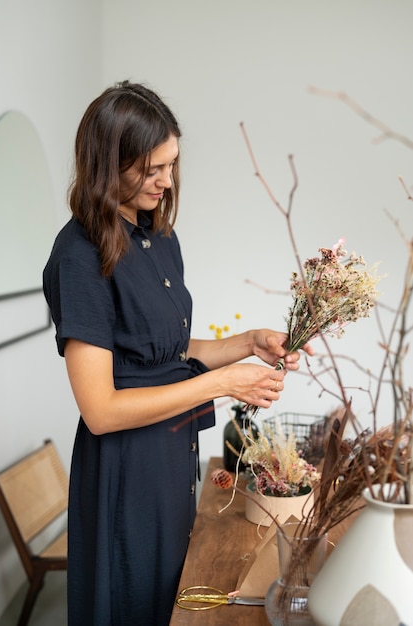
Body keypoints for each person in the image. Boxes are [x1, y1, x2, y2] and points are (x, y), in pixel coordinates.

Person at [43, 80, 313, 626]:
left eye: (171, 165)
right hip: (125, 468)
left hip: (169, 453)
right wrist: (225, 382)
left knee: (173, 596)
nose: (166, 182)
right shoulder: (80, 255)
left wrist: (249, 343)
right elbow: (100, 409)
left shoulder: (156, 235)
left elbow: (159, 350)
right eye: (151, 169)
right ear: (106, 164)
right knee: (133, 601)